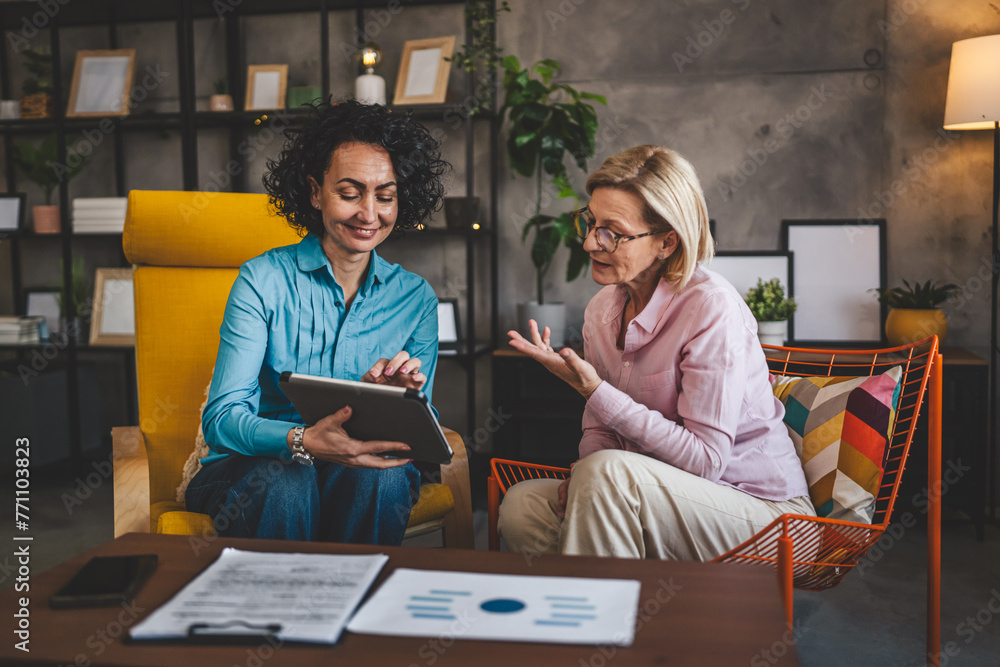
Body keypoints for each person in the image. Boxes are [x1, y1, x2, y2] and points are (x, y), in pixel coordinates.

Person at [498, 145, 813, 561]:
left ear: (667, 242)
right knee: (523, 506)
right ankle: (623, 607)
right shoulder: (600, 311)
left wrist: (595, 391)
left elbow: (706, 462)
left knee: (605, 475)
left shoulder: (711, 308)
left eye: (613, 231)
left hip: (763, 515)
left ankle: (609, 620)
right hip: (653, 493)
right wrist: (584, 478)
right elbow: (600, 431)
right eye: (589, 222)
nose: (591, 242)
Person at [185, 100, 449, 545]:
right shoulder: (262, 280)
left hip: (356, 466)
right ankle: (289, 613)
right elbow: (223, 418)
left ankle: (354, 608)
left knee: (380, 478)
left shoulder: (415, 298)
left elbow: (424, 426)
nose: (369, 214)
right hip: (252, 468)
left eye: (385, 196)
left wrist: (396, 408)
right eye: (349, 193)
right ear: (314, 192)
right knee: (287, 481)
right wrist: (301, 440)